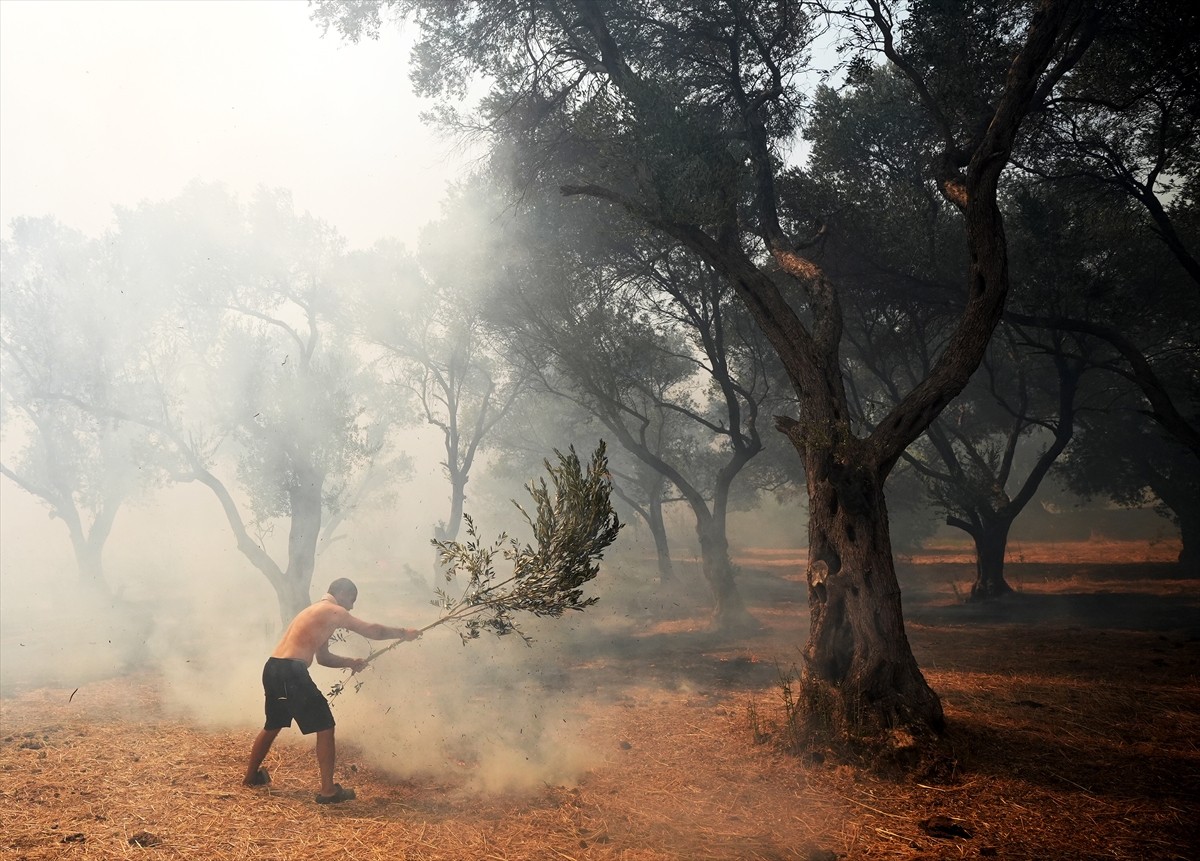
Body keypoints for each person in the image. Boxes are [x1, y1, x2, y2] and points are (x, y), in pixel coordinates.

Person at [242, 577, 420, 803]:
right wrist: (404, 632)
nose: (351, 606)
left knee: (273, 725)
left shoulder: (316, 612)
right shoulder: (332, 610)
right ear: (342, 593)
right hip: (291, 671)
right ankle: (328, 790)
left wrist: (350, 662)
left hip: (274, 667)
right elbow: (372, 631)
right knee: (325, 726)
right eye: (352, 600)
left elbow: (323, 657)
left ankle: (251, 777)